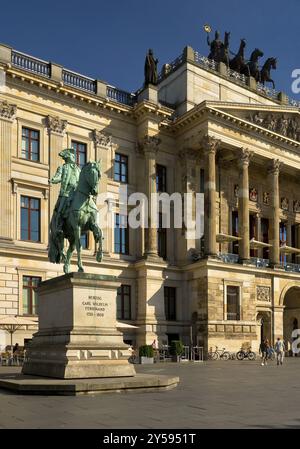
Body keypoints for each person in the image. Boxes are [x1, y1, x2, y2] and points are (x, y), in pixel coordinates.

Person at [49, 148, 81, 236]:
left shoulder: (78, 169)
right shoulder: (62, 167)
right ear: (67, 157)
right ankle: (58, 226)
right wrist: (53, 180)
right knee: (60, 209)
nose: (74, 157)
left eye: (74, 155)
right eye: (72, 155)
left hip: (76, 193)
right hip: (66, 193)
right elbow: (58, 177)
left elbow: (81, 181)